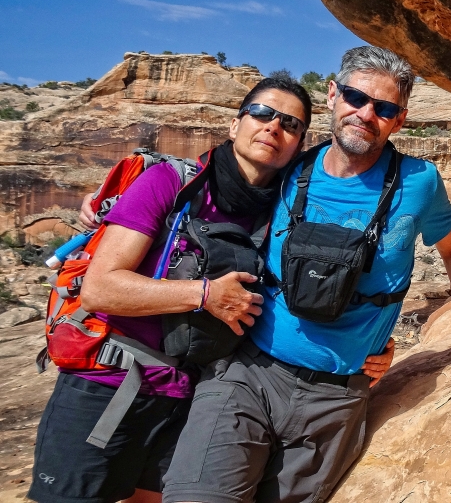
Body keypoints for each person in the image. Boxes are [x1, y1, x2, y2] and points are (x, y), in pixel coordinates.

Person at [161, 46, 451, 503]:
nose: (365, 114)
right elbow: (205, 190)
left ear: (399, 120)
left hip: (336, 398)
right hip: (250, 375)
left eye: (383, 109)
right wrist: (108, 207)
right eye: (356, 98)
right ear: (332, 95)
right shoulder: (289, 168)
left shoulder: (418, 181)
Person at [29, 77, 395, 503]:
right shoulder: (170, 183)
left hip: (192, 396)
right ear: (234, 125)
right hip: (107, 384)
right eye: (262, 113)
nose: (273, 127)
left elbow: (331, 281)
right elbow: (100, 289)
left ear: (299, 145)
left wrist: (372, 346)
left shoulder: (285, 210)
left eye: (291, 124)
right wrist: (204, 294)